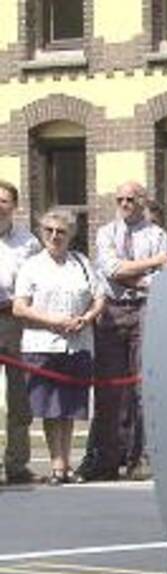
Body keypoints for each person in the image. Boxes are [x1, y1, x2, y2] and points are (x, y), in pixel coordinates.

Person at [78, 180, 167, 481]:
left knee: (145, 387)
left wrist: (132, 275)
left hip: (145, 309)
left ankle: (141, 458)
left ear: (142, 201)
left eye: (131, 199)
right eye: (120, 199)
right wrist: (149, 264)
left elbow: (161, 277)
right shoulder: (106, 232)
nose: (125, 204)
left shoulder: (157, 234)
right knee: (109, 387)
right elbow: (110, 269)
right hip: (111, 311)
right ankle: (107, 458)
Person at [13, 209, 105, 485]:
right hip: (43, 344)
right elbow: (20, 307)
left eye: (61, 231)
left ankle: (66, 464)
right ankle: (57, 465)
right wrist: (53, 320)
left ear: (71, 235)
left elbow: (99, 297)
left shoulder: (81, 263)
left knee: (70, 407)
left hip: (77, 344)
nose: (55, 236)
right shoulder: (32, 266)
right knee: (51, 408)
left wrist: (86, 318)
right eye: (49, 231)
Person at [0, 179, 40, 484]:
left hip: (13, 320)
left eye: (4, 201)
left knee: (18, 396)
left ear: (14, 205)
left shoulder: (28, 242)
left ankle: (17, 465)